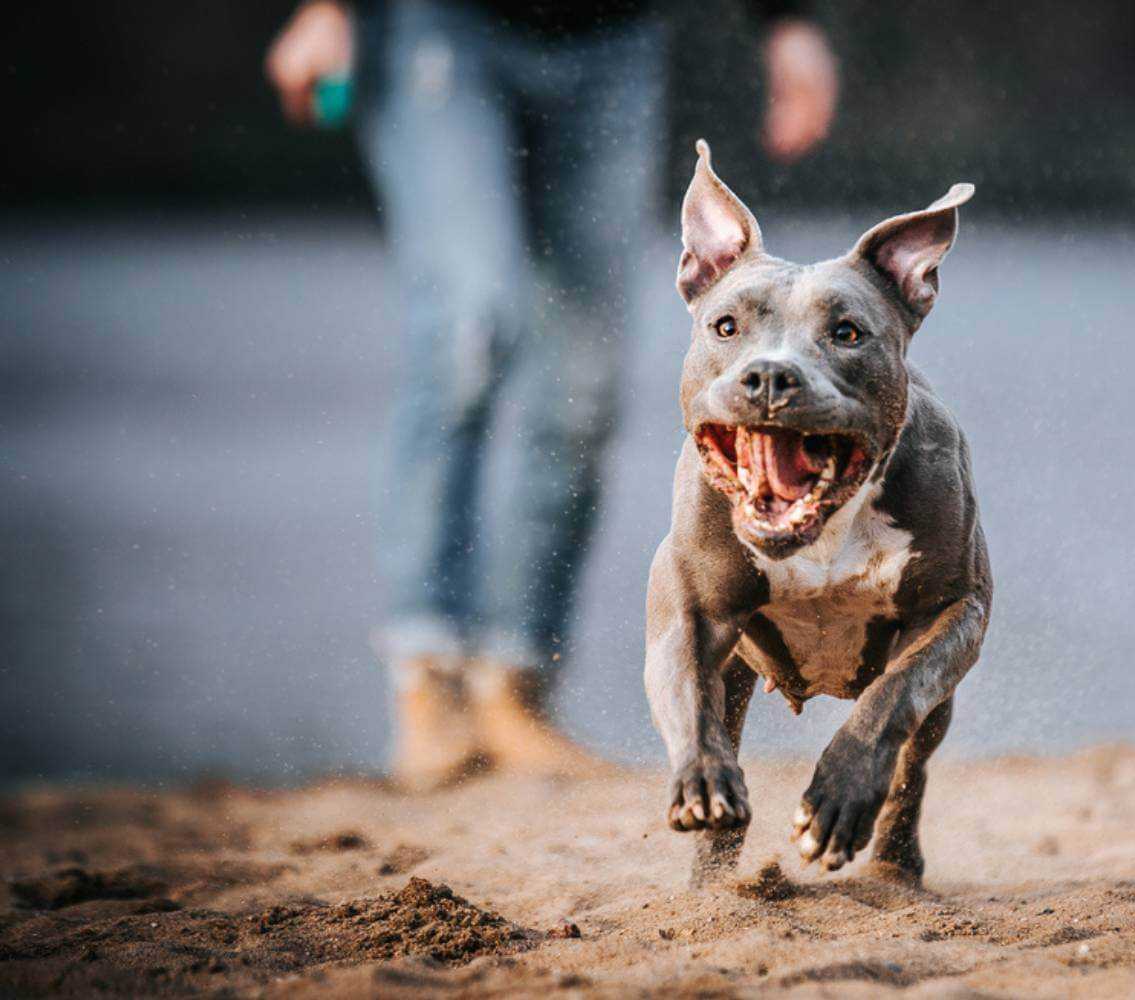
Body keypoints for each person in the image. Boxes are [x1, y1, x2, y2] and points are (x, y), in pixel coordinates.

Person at [266, 0, 838, 790]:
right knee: (472, 322)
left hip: (612, 44)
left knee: (584, 382)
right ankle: (427, 683)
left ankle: (514, 690)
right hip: (437, 27)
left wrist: (787, 23)